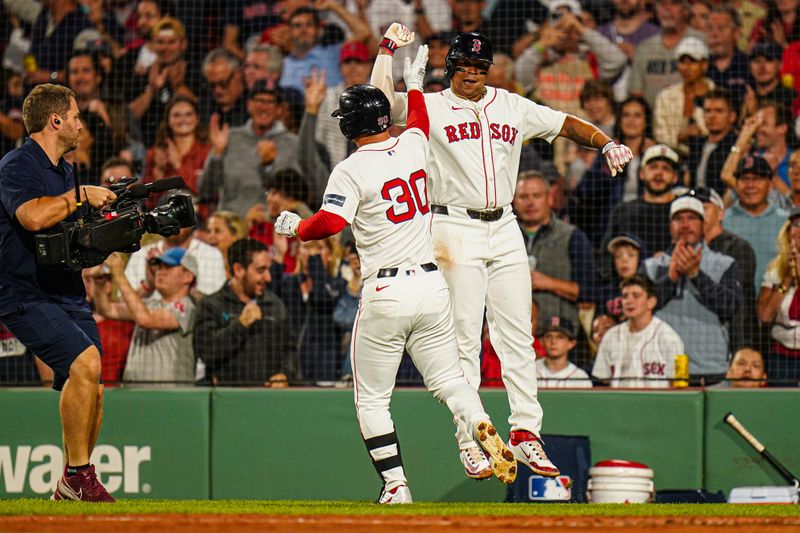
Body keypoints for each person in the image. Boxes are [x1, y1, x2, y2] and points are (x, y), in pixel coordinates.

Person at [370, 25, 633, 480]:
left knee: (517, 334)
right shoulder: (429, 107)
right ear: (450, 67)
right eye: (463, 65)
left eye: (478, 66)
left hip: (506, 225)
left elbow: (564, 123)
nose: (471, 73)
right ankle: (468, 438)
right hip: (452, 226)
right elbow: (379, 103)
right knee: (465, 339)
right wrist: (388, 51)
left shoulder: (510, 104)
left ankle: (526, 433)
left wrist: (606, 141)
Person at [274, 52, 519, 502]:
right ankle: (478, 428)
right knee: (450, 382)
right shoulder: (412, 145)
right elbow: (421, 118)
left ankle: (396, 484)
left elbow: (329, 224)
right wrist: (415, 83)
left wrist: (294, 227)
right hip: (431, 286)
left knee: (372, 400)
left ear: (350, 127)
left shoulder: (350, 169)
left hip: (385, 291)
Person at [0, 84, 116, 502]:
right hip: (23, 293)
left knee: (94, 381)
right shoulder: (18, 164)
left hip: (66, 290)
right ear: (56, 121)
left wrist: (111, 235)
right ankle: (79, 476)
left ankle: (73, 480)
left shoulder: (67, 169)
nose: (80, 123)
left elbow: (66, 238)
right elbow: (31, 216)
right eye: (76, 116)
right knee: (85, 364)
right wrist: (79, 196)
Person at [642, 195, 742, 383]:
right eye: (679, 219)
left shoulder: (725, 264)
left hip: (710, 369)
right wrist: (670, 278)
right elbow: (640, 309)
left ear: (704, 225)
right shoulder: (651, 266)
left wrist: (697, 276)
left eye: (692, 218)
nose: (685, 224)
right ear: (670, 226)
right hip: (661, 368)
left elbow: (731, 307)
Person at [193, 238, 296, 386]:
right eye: (261, 270)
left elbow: (290, 350)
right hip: (227, 399)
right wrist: (240, 325)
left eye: (268, 269)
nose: (268, 277)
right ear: (238, 270)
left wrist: (286, 374)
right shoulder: (211, 305)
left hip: (269, 399)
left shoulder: (275, 305)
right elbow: (207, 352)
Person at [200, 79, 301, 218]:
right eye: (259, 100)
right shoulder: (229, 138)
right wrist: (217, 155)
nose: (263, 107)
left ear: (279, 109)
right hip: (230, 226)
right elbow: (205, 191)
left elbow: (294, 195)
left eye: (270, 102)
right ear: (249, 105)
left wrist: (269, 167)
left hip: (270, 226)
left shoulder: (291, 144)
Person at [95, 249, 197, 386]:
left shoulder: (187, 307)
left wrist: (119, 274)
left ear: (188, 276)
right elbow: (107, 310)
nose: (160, 271)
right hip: (136, 392)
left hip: (171, 395)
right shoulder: (148, 304)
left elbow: (146, 319)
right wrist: (99, 285)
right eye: (159, 266)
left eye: (168, 267)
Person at [513, 172, 598, 337]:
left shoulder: (572, 237)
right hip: (512, 337)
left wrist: (549, 283)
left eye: (536, 195)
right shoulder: (504, 237)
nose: (530, 202)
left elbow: (590, 290)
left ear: (549, 198)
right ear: (514, 201)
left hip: (561, 338)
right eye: (523, 196)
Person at [593, 274, 684, 388]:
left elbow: (680, 385)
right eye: (625, 296)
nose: (628, 301)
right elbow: (603, 381)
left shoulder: (669, 337)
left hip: (657, 404)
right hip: (620, 403)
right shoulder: (611, 336)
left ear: (651, 302)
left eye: (636, 296)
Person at [724, 154, 788, 294]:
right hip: (732, 308)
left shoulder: (786, 223)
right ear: (736, 183)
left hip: (773, 308)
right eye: (744, 179)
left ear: (770, 184)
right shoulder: (722, 222)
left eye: (757, 179)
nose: (750, 185)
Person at [604, 144, 681, 259]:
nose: (659, 173)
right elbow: (606, 255)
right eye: (653, 167)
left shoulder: (684, 212)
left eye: (666, 168)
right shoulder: (622, 211)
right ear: (641, 173)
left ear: (675, 177)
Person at [757, 207, 800, 384]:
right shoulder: (776, 269)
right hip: (782, 359)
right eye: (796, 224)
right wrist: (787, 278)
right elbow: (765, 315)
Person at [653, 36, 715, 154]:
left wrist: (701, 130)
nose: (686, 67)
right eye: (682, 62)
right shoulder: (665, 97)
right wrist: (680, 137)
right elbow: (660, 134)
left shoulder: (718, 96)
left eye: (692, 61)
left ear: (704, 64)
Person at [685, 89, 739, 195]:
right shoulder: (696, 145)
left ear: (732, 116)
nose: (712, 116)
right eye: (707, 111)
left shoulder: (737, 146)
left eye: (719, 111)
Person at [536, 317, 592, 388]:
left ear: (571, 343)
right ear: (541, 341)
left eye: (560, 337)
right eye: (548, 336)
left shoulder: (580, 377)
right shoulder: (530, 370)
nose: (553, 342)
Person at [205, 211, 248, 277]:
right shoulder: (202, 266)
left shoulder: (247, 268)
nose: (211, 236)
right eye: (208, 231)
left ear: (235, 236)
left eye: (217, 231)